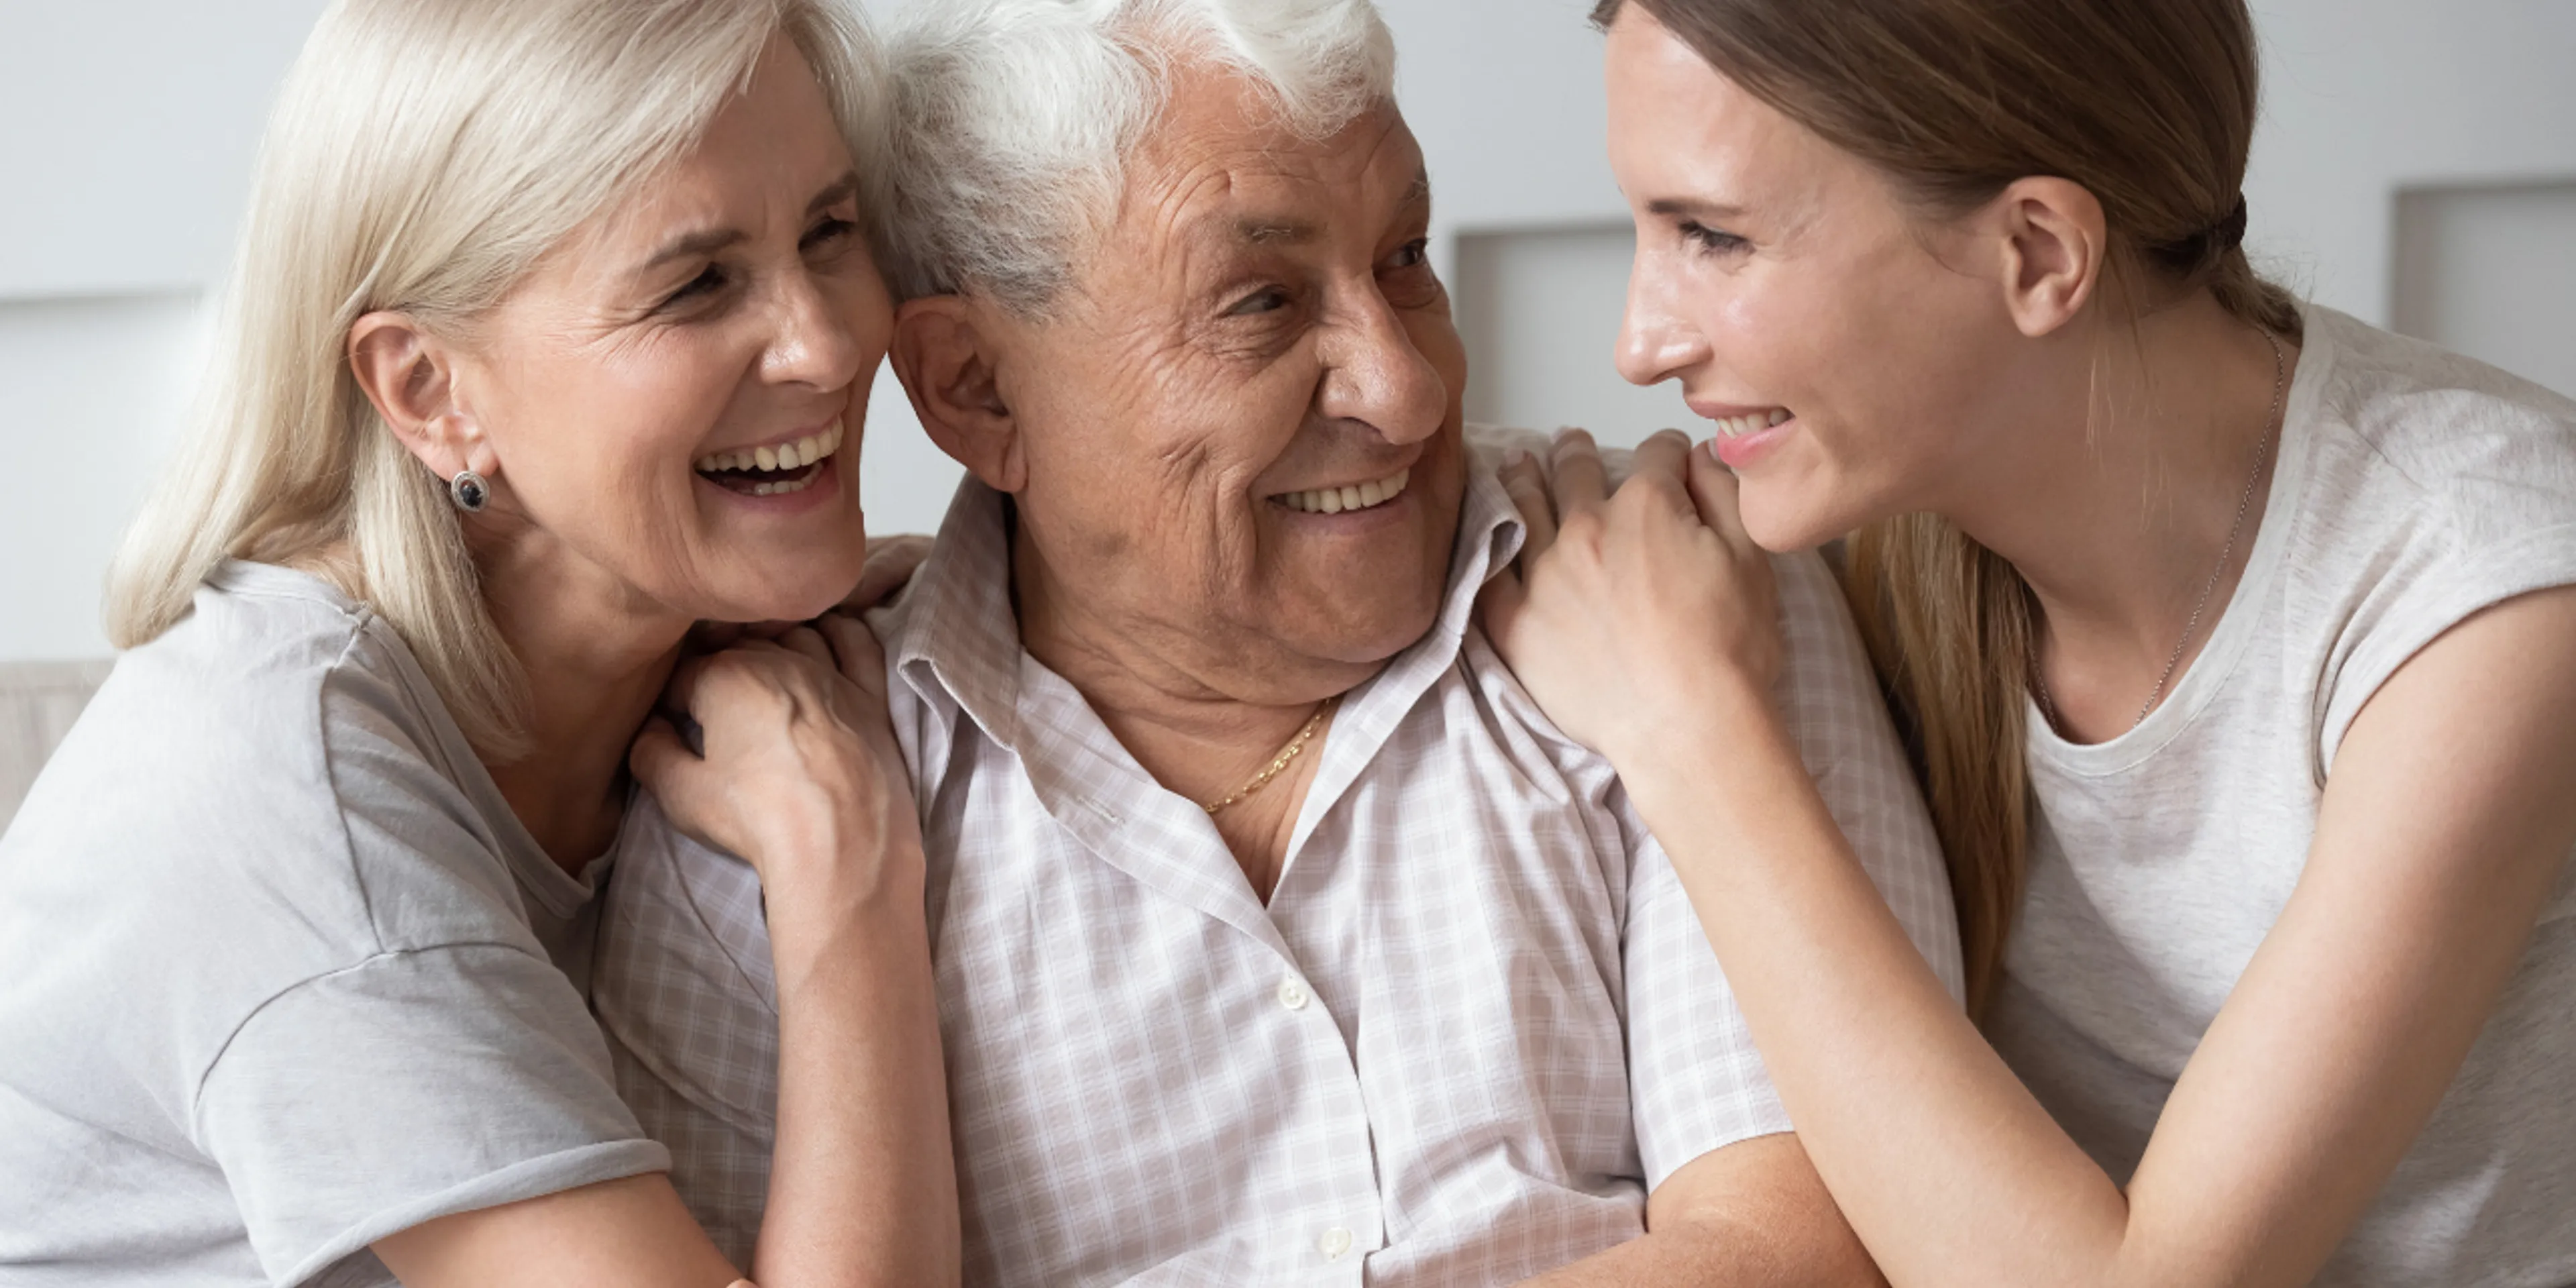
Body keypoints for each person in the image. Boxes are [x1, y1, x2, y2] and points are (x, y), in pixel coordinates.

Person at [591, 0, 1962, 1281]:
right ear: (974, 388)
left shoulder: (1674, 586)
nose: (1407, 386)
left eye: (1406, 259)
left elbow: (1800, 1255)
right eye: (1261, 304)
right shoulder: (772, 800)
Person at [1483, 0, 2576, 1284]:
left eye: (1714, 237)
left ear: (2041, 253)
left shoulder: (2485, 598)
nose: (1639, 343)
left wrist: (1691, 733)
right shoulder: (1863, 519)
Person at [0, 1, 957, 1284]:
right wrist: (847, 889)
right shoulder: (287, 797)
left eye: (830, 232)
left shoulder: (701, 648)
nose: (830, 343)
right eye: (695, 283)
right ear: (430, 392)